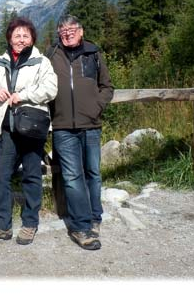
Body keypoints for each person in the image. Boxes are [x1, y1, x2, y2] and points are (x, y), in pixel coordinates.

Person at [0, 17, 58, 246]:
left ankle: (30, 223)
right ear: (9, 38)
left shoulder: (41, 62)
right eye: (17, 35)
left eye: (26, 35)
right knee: (0, 176)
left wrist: (23, 96)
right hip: (5, 128)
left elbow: (51, 89)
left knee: (32, 176)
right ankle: (2, 225)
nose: (21, 39)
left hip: (32, 128)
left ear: (32, 39)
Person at [47, 15, 114, 250]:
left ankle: (96, 217)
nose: (68, 32)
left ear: (81, 31)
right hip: (63, 127)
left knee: (93, 174)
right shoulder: (51, 55)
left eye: (72, 28)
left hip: (91, 125)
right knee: (73, 177)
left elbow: (107, 86)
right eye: (63, 29)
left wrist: (97, 106)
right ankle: (81, 227)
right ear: (58, 33)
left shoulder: (93, 53)